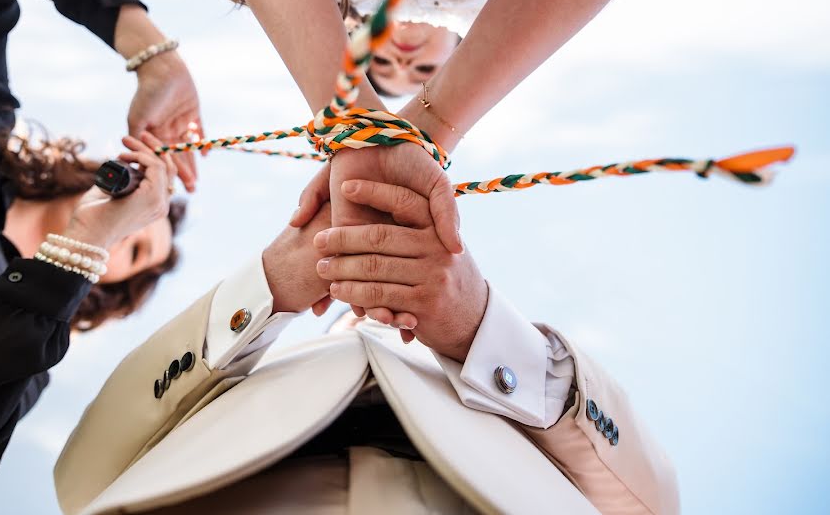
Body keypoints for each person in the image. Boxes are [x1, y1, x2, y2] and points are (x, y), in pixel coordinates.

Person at [54, 180, 679, 514]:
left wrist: (477, 328)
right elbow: (86, 474)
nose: (378, 309)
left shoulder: (517, 416)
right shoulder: (263, 383)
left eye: (397, 314)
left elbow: (647, 503)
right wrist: (273, 283)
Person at [212, 0, 689, 322]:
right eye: (416, 73)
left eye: (384, 68)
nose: (402, 60)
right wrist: (412, 131)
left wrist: (359, 128)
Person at [0, 0, 200, 505]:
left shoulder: (19, 357)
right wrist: (151, 54)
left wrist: (81, 248)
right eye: (142, 215)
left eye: (131, 245)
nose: (132, 221)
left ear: (100, 282)